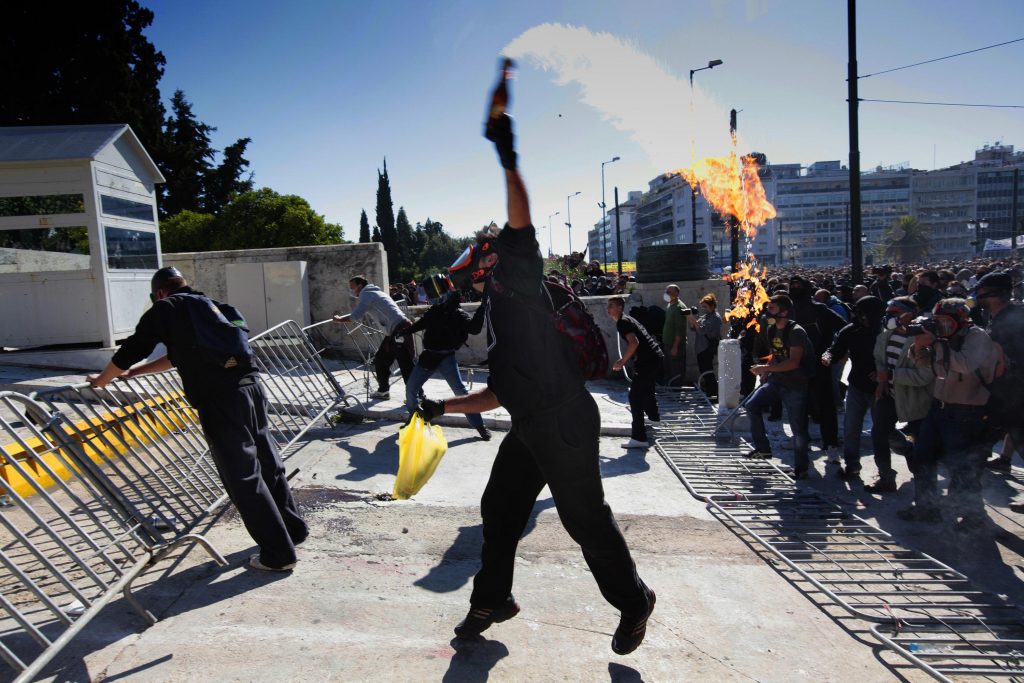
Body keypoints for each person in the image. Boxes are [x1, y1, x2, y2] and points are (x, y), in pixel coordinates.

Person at [416, 75, 654, 655]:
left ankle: (635, 601)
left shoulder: (517, 279)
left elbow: (519, 219)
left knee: (585, 522)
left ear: (491, 259)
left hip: (566, 424)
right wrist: (442, 406)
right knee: (499, 507)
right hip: (530, 427)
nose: (464, 272)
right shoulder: (499, 306)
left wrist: (507, 155)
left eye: (473, 260)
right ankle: (492, 598)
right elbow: (498, 392)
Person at [88, 267, 308, 572]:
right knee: (268, 463)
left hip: (220, 397)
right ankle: (294, 530)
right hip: (252, 387)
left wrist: (103, 379)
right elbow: (175, 357)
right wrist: (133, 374)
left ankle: (278, 554)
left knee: (242, 476)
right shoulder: (214, 307)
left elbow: (133, 348)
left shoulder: (167, 307)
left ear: (160, 293)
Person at [897, 299, 1000, 531]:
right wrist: (919, 345)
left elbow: (964, 364)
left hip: (967, 411)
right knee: (922, 458)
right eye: (938, 322)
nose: (941, 327)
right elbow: (926, 365)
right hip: (939, 407)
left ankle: (973, 515)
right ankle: (926, 506)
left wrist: (937, 343)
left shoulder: (976, 336)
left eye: (946, 322)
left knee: (962, 467)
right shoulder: (942, 340)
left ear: (961, 320)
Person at [403, 273, 491, 441]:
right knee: (411, 388)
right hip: (428, 357)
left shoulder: (457, 313)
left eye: (434, 296)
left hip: (446, 359)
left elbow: (474, 329)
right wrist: (406, 330)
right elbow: (423, 323)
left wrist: (482, 307)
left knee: (461, 394)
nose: (432, 299)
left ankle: (480, 426)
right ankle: (415, 420)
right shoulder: (434, 311)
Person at [743, 294, 813, 479]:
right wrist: (767, 372)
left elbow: (793, 362)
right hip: (777, 380)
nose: (768, 312)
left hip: (795, 384)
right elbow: (776, 353)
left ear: (784, 312)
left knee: (797, 428)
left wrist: (765, 368)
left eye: (772, 309)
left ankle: (801, 467)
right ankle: (762, 449)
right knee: (751, 406)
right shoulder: (771, 329)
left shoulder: (796, 331)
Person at [823, 296, 888, 486]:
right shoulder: (851, 331)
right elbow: (835, 348)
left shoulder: (887, 332)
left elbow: (898, 359)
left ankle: (886, 472)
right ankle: (852, 465)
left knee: (882, 432)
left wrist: (884, 375)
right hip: (857, 385)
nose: (861, 318)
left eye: (865, 314)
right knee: (851, 428)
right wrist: (828, 357)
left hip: (881, 388)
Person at [872, 297, 933, 491]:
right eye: (888, 311)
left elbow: (925, 375)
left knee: (922, 443)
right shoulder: (886, 335)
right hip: (889, 393)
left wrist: (892, 375)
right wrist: (883, 381)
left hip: (915, 398)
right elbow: (880, 359)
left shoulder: (922, 337)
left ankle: (924, 488)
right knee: (879, 433)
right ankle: (886, 477)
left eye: (895, 313)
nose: (889, 316)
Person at [973, 272, 1024, 476]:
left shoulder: (1013, 320)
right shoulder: (996, 317)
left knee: (1019, 433)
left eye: (982, 293)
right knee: (1013, 429)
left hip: (1016, 388)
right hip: (1009, 388)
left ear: (996, 295)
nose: (979, 297)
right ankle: (1004, 459)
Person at [333, 275, 414, 399]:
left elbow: (356, 315)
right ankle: (383, 391)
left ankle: (416, 396)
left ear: (360, 285)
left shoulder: (367, 295)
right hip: (395, 330)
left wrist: (339, 320)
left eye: (352, 287)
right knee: (381, 359)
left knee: (405, 364)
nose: (351, 290)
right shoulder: (376, 293)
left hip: (399, 329)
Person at [608, 296, 663, 449]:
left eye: (611, 306)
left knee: (635, 397)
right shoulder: (627, 320)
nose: (608, 309)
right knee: (647, 389)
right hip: (654, 357)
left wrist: (621, 361)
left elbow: (634, 343)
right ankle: (654, 417)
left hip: (648, 360)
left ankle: (639, 437)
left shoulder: (623, 322)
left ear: (620, 307)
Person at [689, 293, 723, 397]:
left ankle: (713, 393)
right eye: (702, 307)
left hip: (707, 348)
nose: (703, 309)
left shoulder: (715, 318)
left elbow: (701, 330)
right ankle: (710, 391)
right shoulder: (706, 316)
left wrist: (692, 318)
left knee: (707, 371)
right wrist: (690, 318)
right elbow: (693, 328)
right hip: (701, 348)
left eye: (705, 307)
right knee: (703, 370)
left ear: (712, 306)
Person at [661, 284, 691, 386]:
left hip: (675, 345)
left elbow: (680, 330)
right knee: (669, 368)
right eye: (666, 291)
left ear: (676, 293)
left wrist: (675, 346)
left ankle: (677, 390)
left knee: (676, 369)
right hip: (668, 343)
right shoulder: (670, 305)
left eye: (669, 292)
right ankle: (671, 388)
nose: (666, 294)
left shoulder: (679, 308)